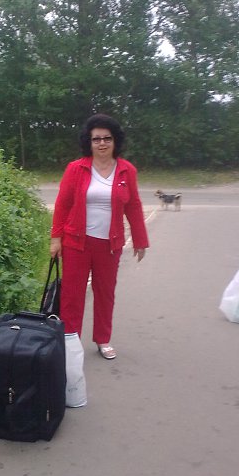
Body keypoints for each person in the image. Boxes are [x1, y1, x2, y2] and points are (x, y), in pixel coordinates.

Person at [50, 114, 149, 359]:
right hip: (76, 242)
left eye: (107, 138)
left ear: (115, 141)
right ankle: (70, 340)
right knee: (72, 295)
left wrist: (140, 240)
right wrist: (56, 238)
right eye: (96, 139)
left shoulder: (126, 170)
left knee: (105, 293)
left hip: (110, 244)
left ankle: (103, 339)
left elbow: (134, 205)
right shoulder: (76, 168)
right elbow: (63, 204)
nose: (102, 143)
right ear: (89, 141)